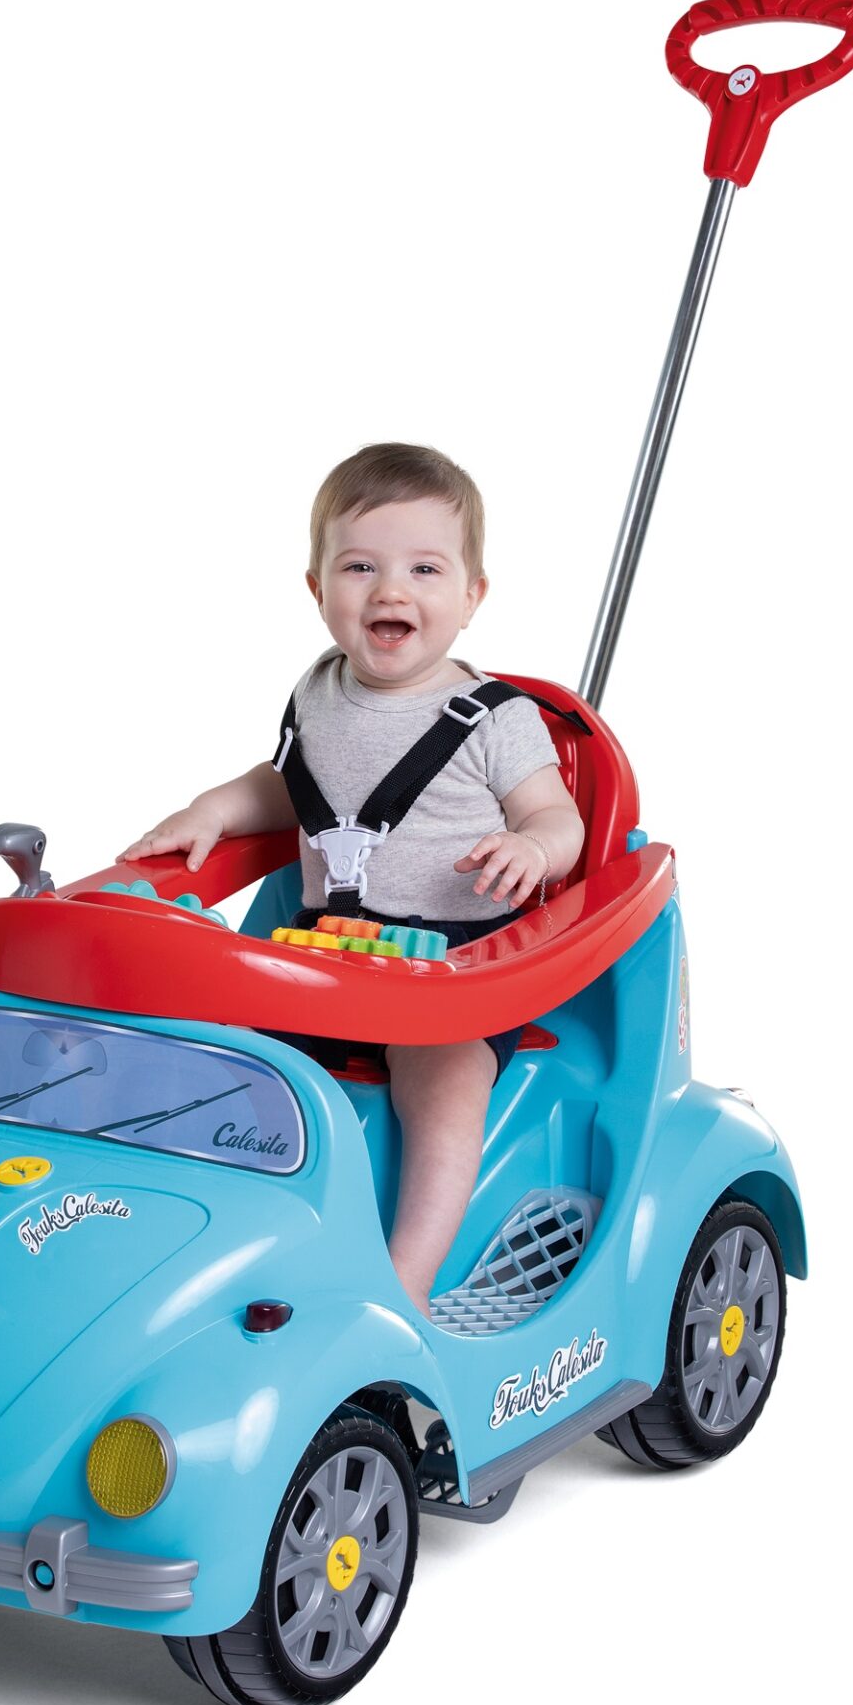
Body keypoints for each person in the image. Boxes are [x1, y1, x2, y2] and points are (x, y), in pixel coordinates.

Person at [120, 444, 585, 1316]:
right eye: (360, 567)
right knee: (213, 1056)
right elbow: (291, 786)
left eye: (424, 569)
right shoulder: (319, 691)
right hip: (319, 954)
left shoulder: (498, 719)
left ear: (472, 595)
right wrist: (214, 810)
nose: (390, 591)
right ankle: (204, 1242)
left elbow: (559, 817)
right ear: (317, 587)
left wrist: (534, 847)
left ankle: (403, 1285)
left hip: (451, 970)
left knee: (443, 1087)